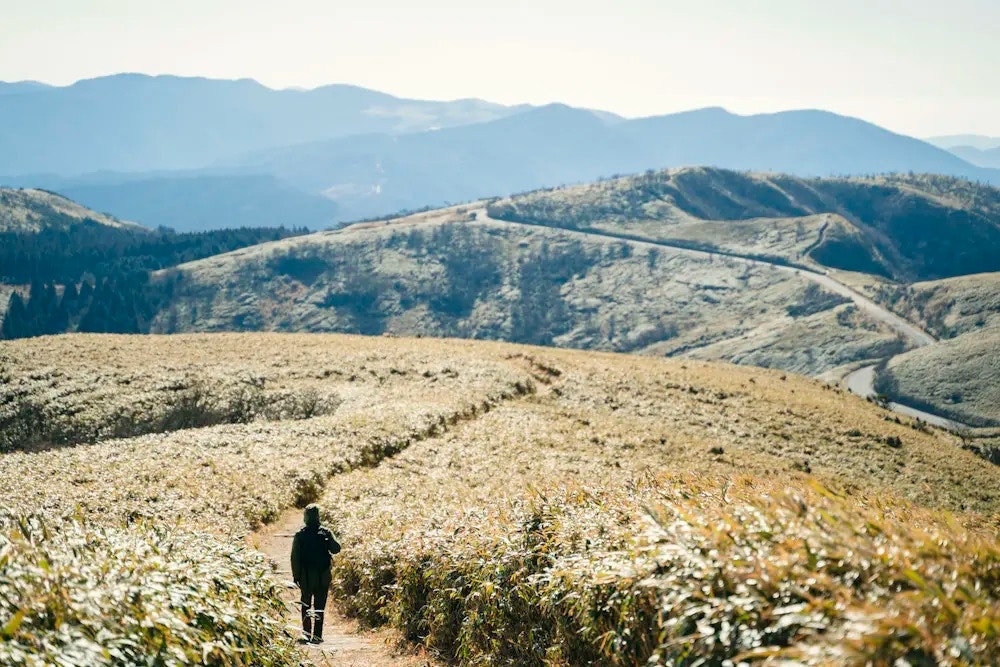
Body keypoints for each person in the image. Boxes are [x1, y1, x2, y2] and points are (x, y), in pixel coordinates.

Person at [290, 504, 342, 643]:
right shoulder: (325, 532)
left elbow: (295, 557)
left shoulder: (300, 535)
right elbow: (336, 549)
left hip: (306, 577)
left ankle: (307, 634)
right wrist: (330, 537)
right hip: (323, 576)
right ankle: (317, 636)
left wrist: (296, 576)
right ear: (318, 516)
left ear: (306, 517)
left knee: (306, 606)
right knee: (319, 607)